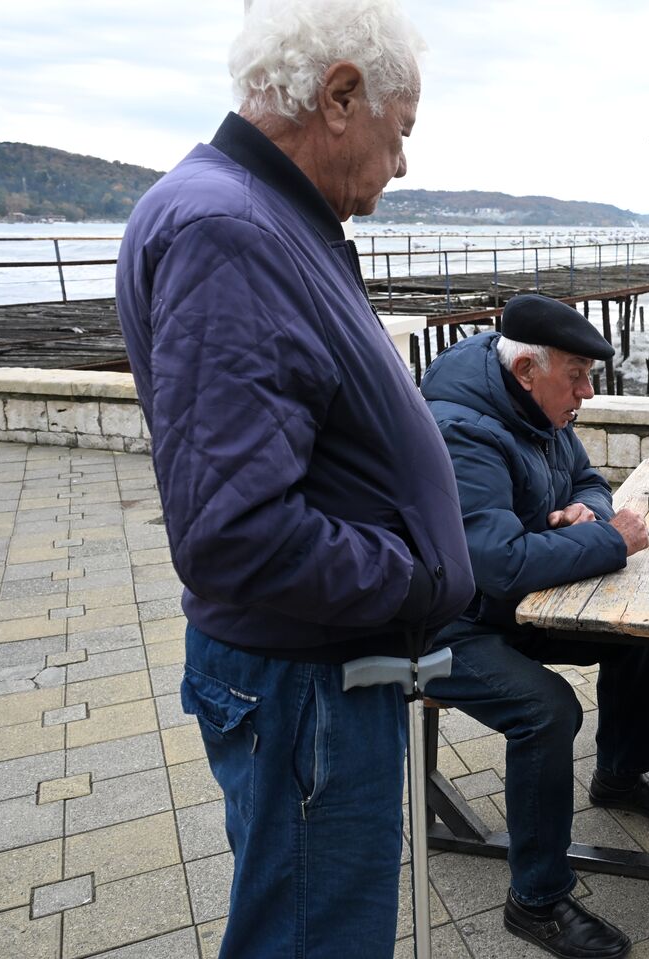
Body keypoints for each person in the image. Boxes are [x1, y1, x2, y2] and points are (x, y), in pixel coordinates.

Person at [114, 2, 474, 956]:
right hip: (310, 683)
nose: (402, 166)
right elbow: (239, 532)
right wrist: (412, 579)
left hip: (309, 672)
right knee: (315, 939)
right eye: (402, 135)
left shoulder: (256, 216)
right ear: (341, 94)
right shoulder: (231, 230)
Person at [418, 294, 649, 959]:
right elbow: (500, 565)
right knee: (546, 710)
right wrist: (610, 542)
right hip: (443, 624)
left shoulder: (535, 404)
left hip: (505, 607)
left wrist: (585, 513)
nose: (587, 392)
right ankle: (535, 899)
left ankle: (620, 775)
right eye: (576, 375)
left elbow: (592, 477)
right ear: (524, 370)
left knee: (632, 627)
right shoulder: (463, 430)